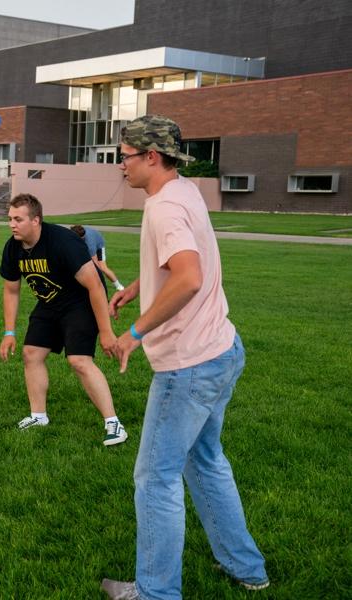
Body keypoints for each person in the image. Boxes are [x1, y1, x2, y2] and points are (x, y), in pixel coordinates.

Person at [101, 115, 268, 600]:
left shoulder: (164, 208)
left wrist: (133, 333)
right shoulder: (184, 190)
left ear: (151, 157)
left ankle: (155, 594)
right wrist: (140, 285)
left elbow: (189, 277)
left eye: (125, 157)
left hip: (188, 365)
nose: (122, 168)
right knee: (206, 460)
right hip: (222, 350)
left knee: (155, 478)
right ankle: (247, 570)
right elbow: (181, 262)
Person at [0, 194, 127, 446]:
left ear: (36, 220)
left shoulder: (63, 242)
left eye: (18, 219)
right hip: (49, 303)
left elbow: (95, 287)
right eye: (10, 219)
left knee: (79, 360)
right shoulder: (13, 247)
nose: (12, 224)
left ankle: (113, 423)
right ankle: (38, 416)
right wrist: (9, 332)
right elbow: (11, 290)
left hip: (80, 302)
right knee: (31, 354)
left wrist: (106, 331)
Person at [70, 225, 125, 292]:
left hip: (99, 245)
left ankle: (119, 286)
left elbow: (94, 263)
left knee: (102, 267)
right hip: (85, 242)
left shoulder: (90, 243)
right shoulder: (72, 233)